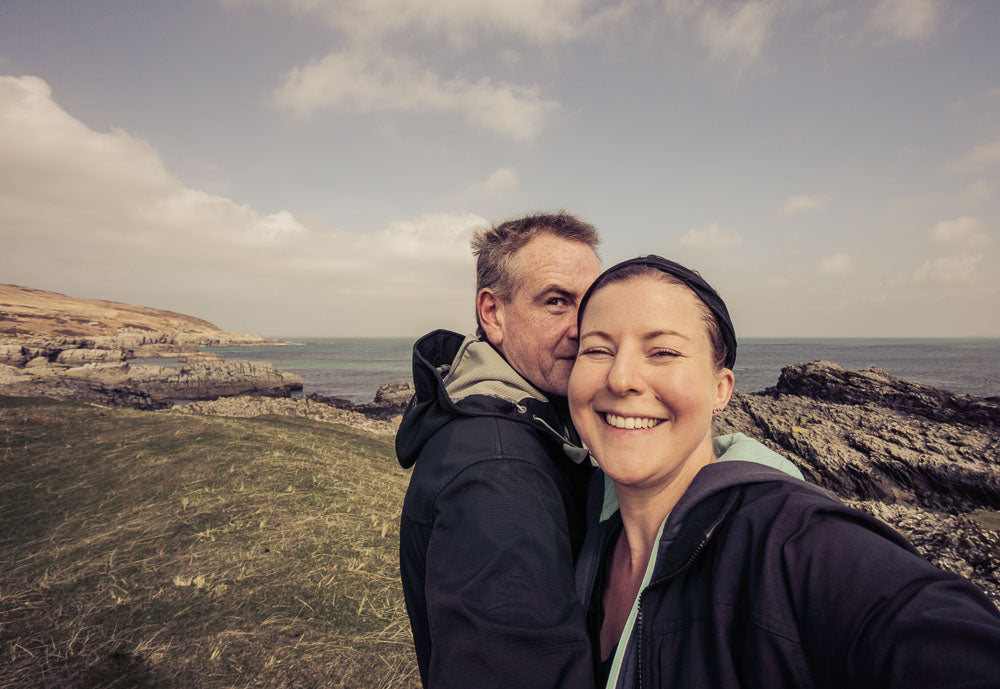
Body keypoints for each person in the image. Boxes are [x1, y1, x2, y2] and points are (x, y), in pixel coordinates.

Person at [569, 255, 1000, 689]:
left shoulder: (793, 538)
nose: (620, 378)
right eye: (597, 350)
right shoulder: (584, 524)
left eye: (663, 352)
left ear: (721, 390)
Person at [396, 212, 602, 688]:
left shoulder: (531, 421)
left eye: (591, 304)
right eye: (555, 301)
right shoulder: (498, 477)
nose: (582, 328)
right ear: (493, 314)